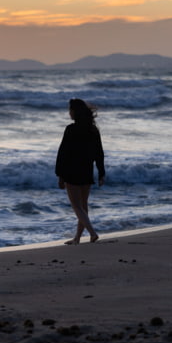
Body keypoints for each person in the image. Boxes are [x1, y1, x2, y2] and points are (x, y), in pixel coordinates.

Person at [55, 98, 105, 245]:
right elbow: (99, 153)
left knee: (77, 206)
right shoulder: (93, 130)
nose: (69, 112)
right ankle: (77, 238)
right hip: (86, 170)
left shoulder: (71, 129)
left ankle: (92, 233)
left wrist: (60, 175)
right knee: (83, 206)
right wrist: (101, 172)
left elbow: (63, 153)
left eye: (70, 110)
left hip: (72, 171)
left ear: (75, 112)